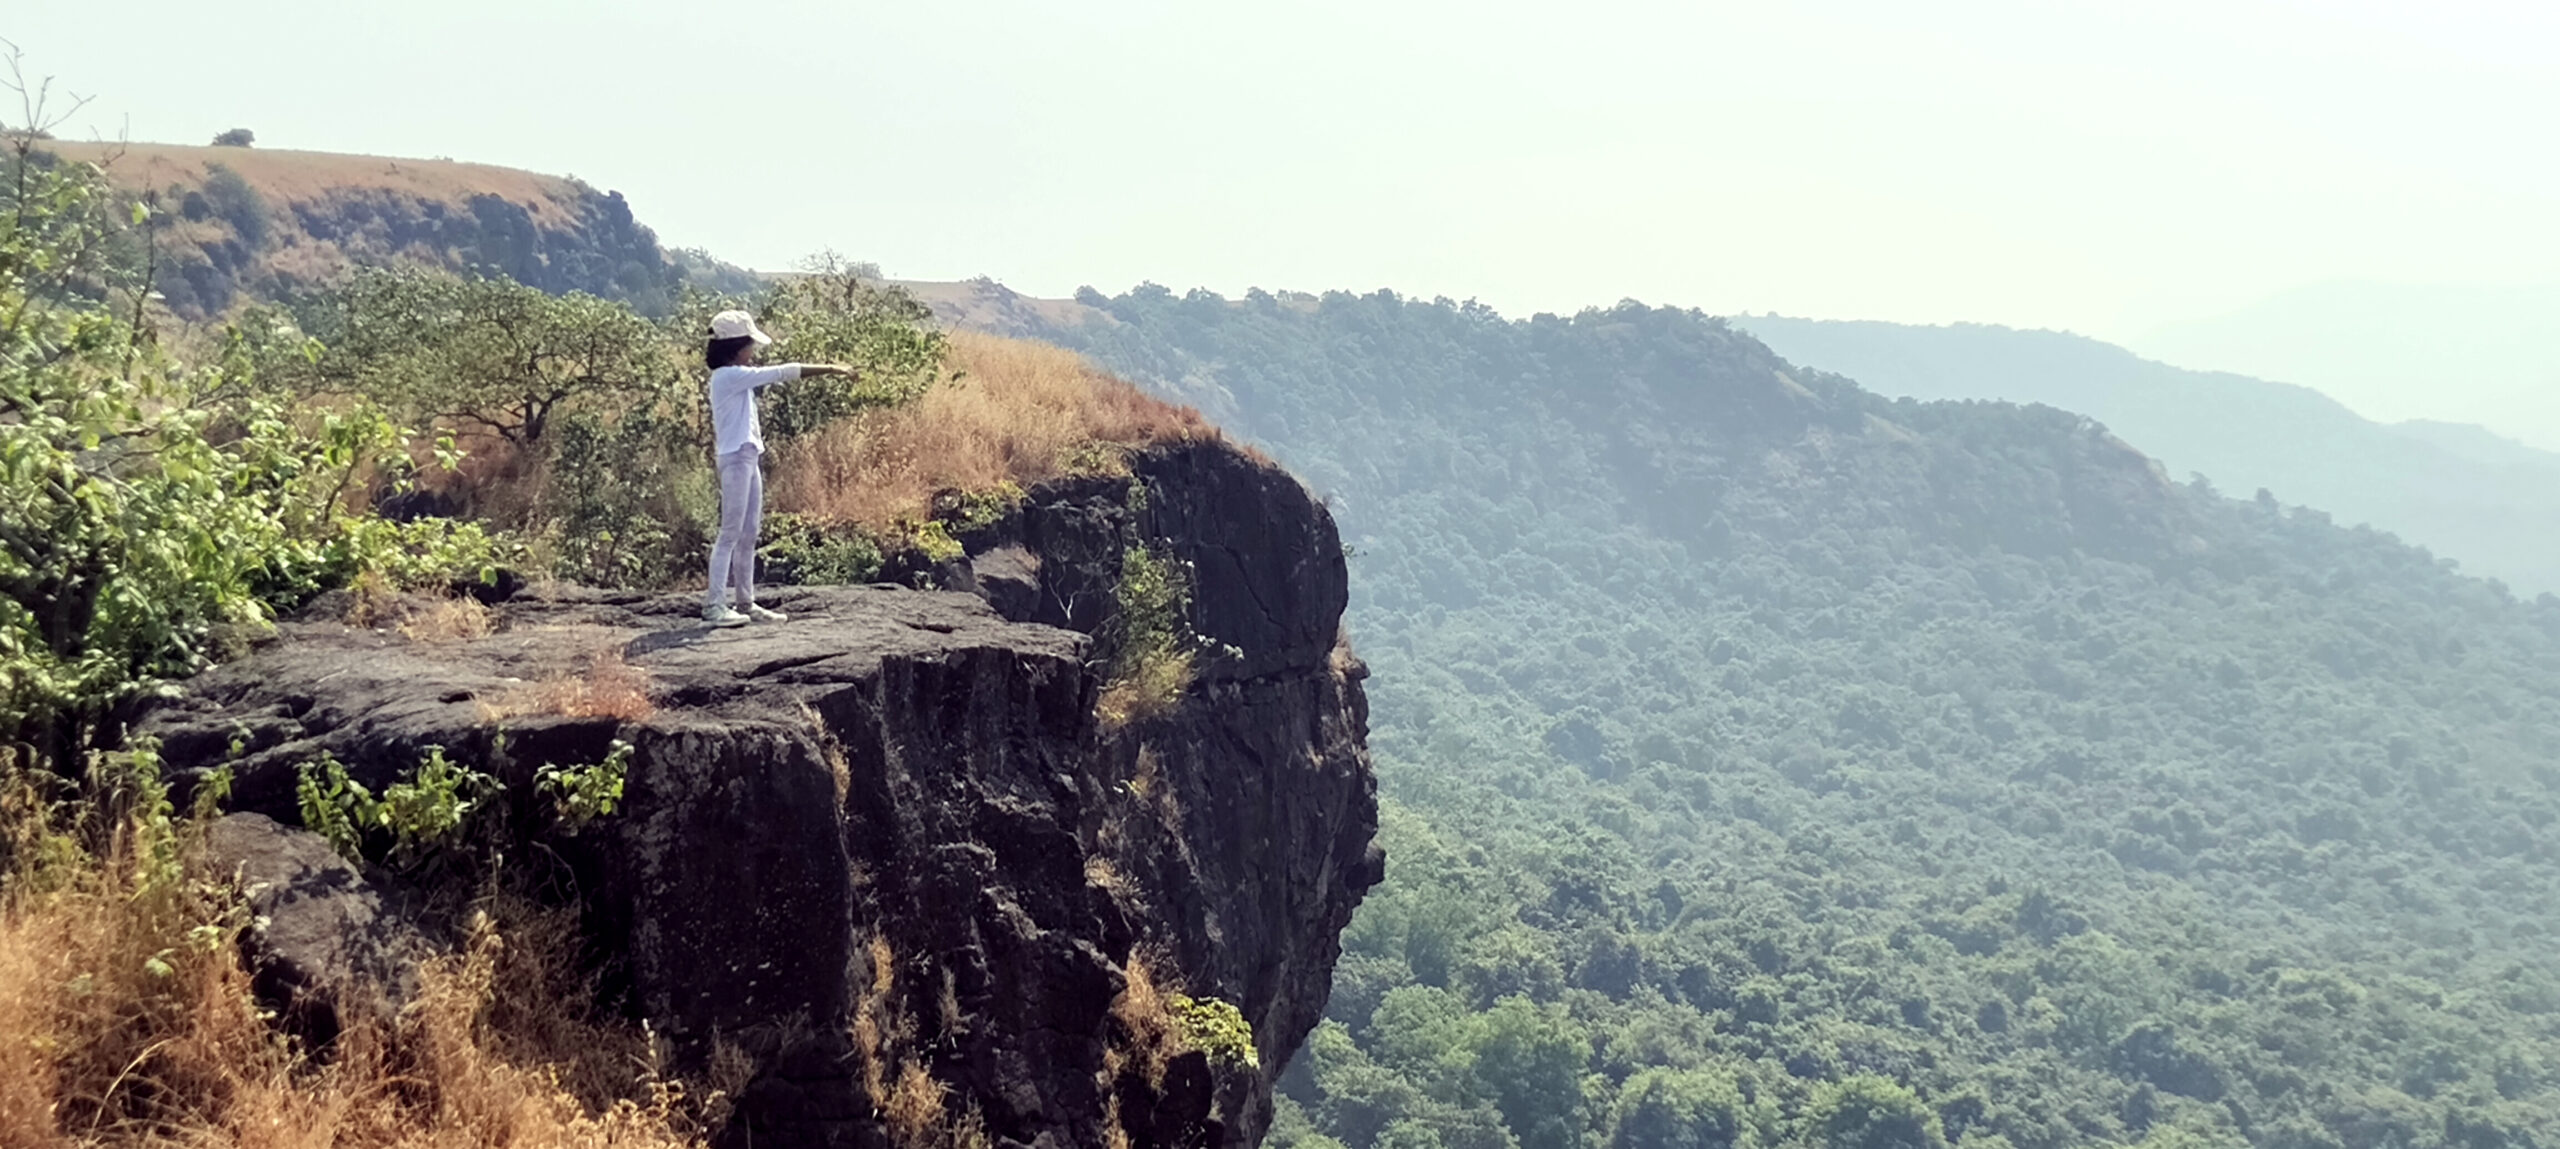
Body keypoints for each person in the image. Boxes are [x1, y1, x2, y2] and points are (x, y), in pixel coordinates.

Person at [700, 309, 858, 627]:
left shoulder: (734, 376)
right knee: (730, 533)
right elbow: (782, 372)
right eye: (750, 345)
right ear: (736, 347)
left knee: (748, 534)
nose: (753, 351)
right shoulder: (729, 376)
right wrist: (831, 368)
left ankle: (745, 603)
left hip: (746, 456)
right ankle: (714, 605)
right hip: (735, 459)